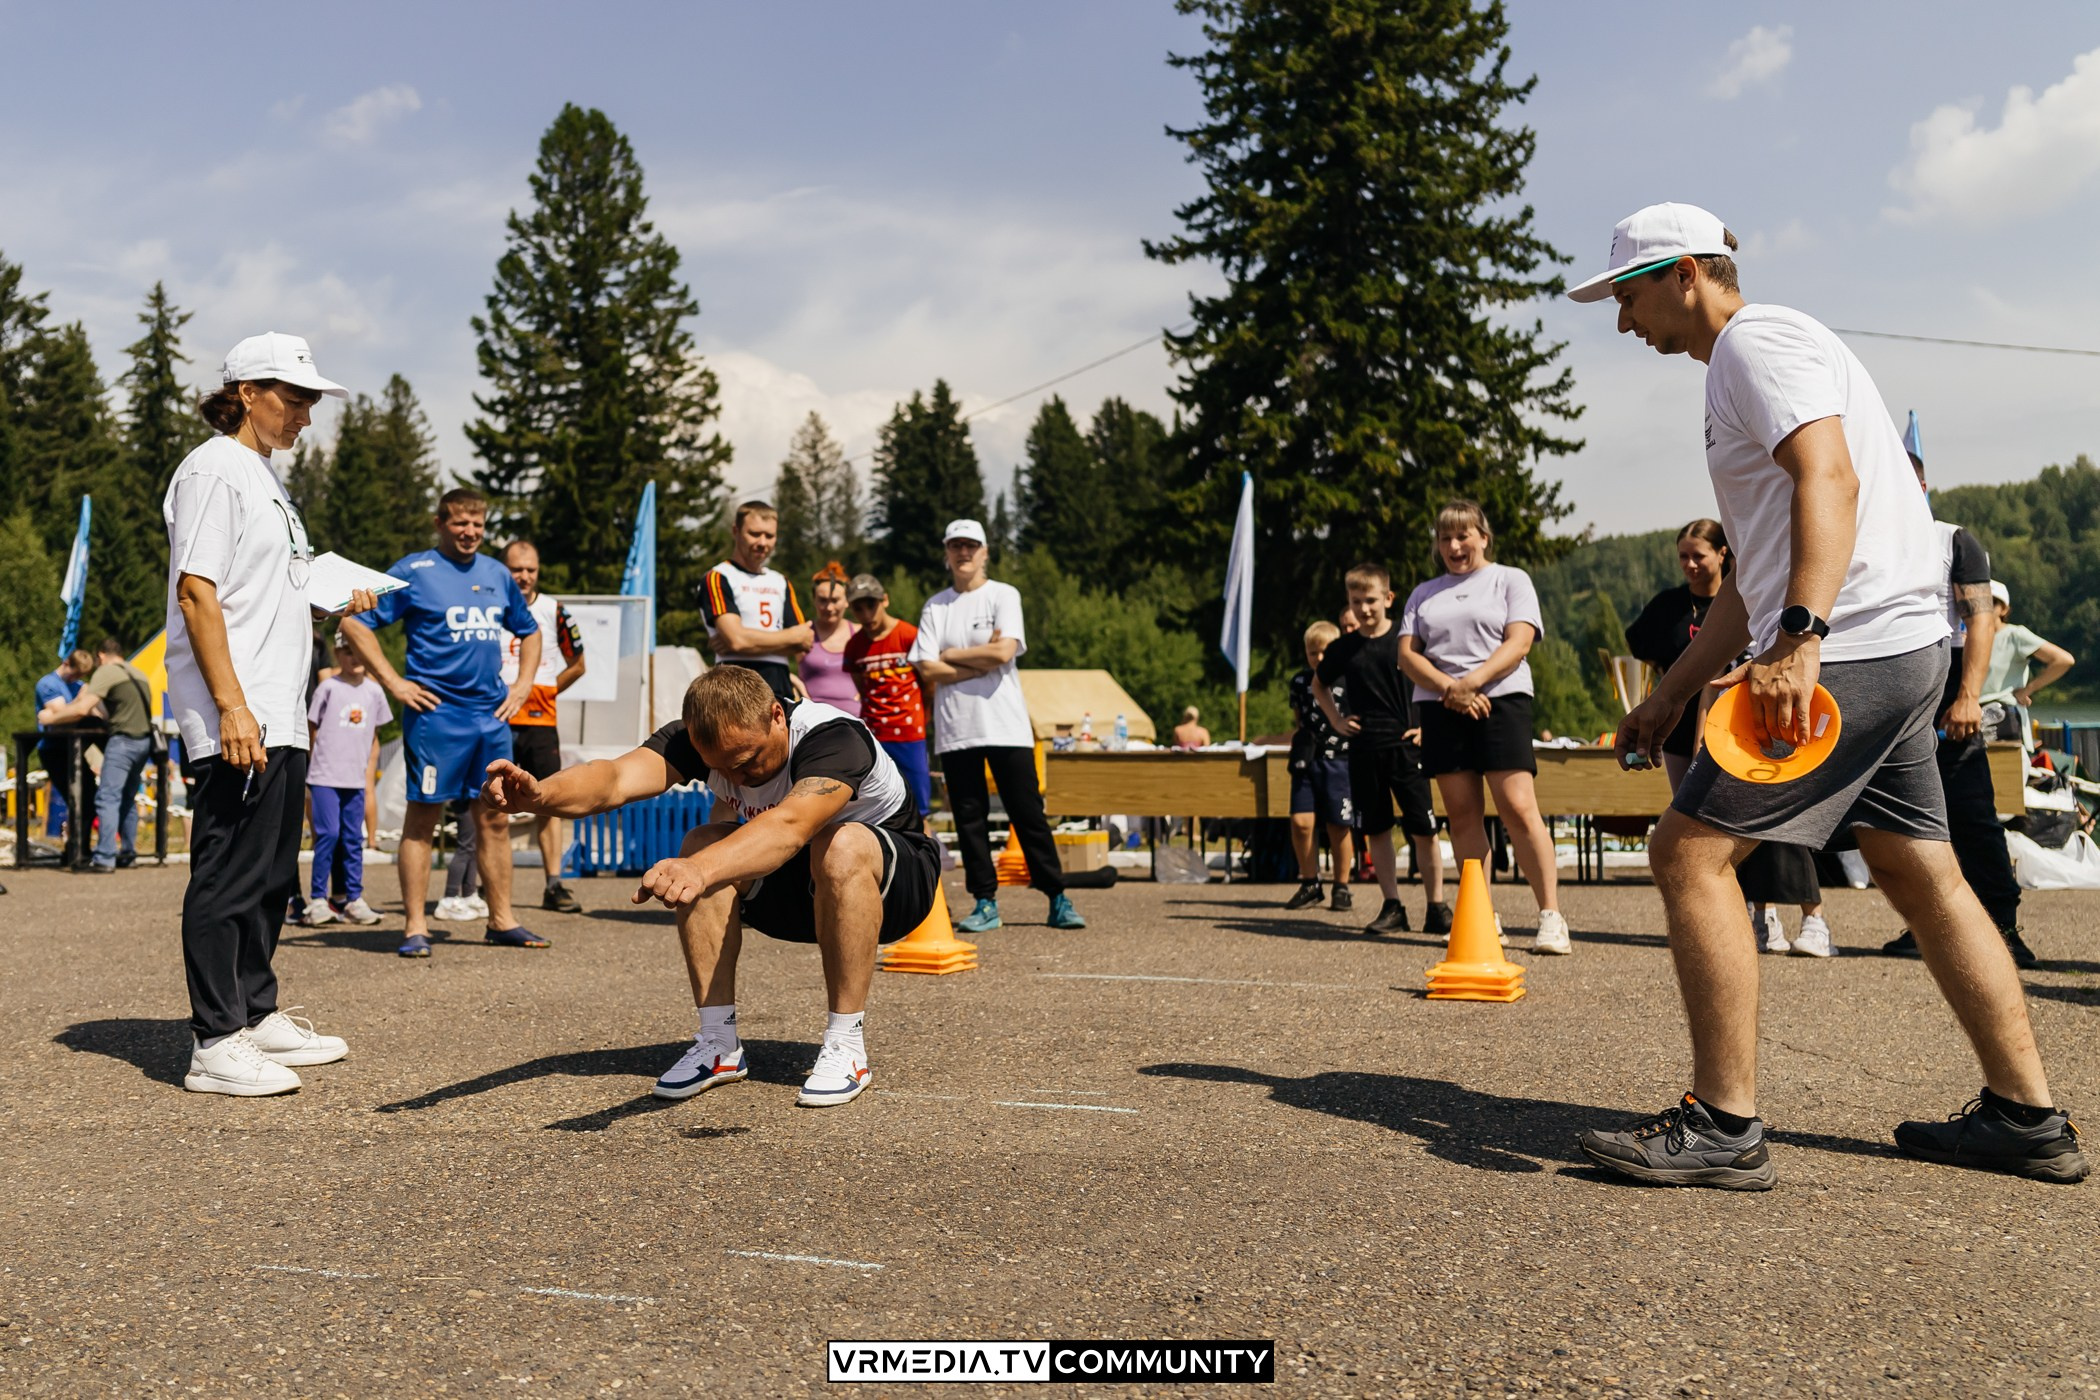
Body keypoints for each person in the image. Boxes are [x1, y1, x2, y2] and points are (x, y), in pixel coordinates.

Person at [1581, 201, 2082, 1186]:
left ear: (1687, 273)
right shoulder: (1762, 357)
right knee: (1918, 870)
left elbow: (1831, 476)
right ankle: (2027, 1114)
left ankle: (1724, 1122)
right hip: (1897, 648)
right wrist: (1671, 693)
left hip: (1847, 647)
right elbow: (1747, 578)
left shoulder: (1753, 344)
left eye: (1628, 293)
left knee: (1687, 853)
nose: (1621, 320)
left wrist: (1803, 637)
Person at [482, 665, 942, 1107]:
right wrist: (541, 796)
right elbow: (616, 779)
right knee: (701, 839)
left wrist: (699, 870)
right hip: (802, 891)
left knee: (836, 844)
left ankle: (846, 1044)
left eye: (747, 762)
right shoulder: (699, 738)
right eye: (721, 768)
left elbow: (790, 826)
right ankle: (718, 1044)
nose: (738, 779)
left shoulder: (832, 736)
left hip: (895, 887)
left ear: (776, 716)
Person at [166, 332, 366, 1095]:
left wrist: (330, 593)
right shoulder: (216, 468)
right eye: (292, 396)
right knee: (227, 874)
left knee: (272, 872)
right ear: (246, 392)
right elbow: (196, 591)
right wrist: (230, 706)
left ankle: (254, 1012)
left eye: (311, 400)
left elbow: (262, 592)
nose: (305, 414)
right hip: (237, 714)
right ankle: (215, 1042)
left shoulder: (266, 481)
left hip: (278, 710)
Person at [340, 487, 546, 958]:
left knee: (495, 817)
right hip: (436, 718)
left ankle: (502, 920)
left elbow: (530, 632)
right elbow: (354, 624)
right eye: (459, 523)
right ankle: (415, 926)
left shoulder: (497, 572)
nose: (470, 532)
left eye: (477, 523)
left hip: (489, 717)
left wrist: (523, 687)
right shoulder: (414, 571)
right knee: (423, 818)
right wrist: (394, 683)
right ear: (440, 524)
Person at [1628, 523, 1834, 959]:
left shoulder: (1765, 591)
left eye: (1697, 555)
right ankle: (1756, 915)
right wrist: (1671, 704)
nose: (1689, 564)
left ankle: (1811, 917)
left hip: (1757, 719)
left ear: (1724, 554)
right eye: (1682, 555)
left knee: (1776, 824)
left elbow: (1720, 677)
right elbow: (1696, 677)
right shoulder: (1672, 606)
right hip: (1695, 727)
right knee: (1704, 832)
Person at [1880, 444, 2034, 966]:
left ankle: (2004, 929)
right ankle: (1923, 926)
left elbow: (1981, 620)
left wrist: (1968, 696)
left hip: (1951, 691)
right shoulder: (1867, 543)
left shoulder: (1953, 540)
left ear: (1920, 487)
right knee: (1906, 820)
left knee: (1971, 813)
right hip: (1894, 688)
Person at [1397, 503, 1569, 953]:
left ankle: (1550, 916)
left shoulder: (1510, 579)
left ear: (1483, 537)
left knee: (1516, 806)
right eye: (1445, 539)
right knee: (1462, 813)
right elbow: (1407, 654)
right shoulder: (1423, 592)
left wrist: (1472, 682)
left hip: (1502, 699)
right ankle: (1482, 915)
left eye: (1463, 536)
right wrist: (1450, 689)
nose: (1454, 547)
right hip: (1440, 706)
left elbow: (1520, 640)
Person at [911, 519, 1085, 933]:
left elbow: (1005, 651)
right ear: (946, 551)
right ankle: (985, 901)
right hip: (957, 729)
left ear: (985, 552)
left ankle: (1057, 896)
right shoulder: (936, 605)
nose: (964, 553)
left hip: (1006, 726)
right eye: (956, 546)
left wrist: (952, 654)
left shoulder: (1004, 595)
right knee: (969, 818)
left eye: (972, 545)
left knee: (1027, 813)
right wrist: (979, 658)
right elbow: (924, 664)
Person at [1315, 563, 1448, 937]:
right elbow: (1318, 685)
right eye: (1356, 601)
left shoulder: (1408, 642)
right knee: (1377, 830)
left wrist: (1427, 725)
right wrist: (1337, 721)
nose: (1364, 608)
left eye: (1371, 600)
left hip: (1406, 746)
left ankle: (1436, 906)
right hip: (1363, 748)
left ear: (1389, 599)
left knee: (1424, 829)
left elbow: (1435, 680)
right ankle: (1392, 906)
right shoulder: (1343, 648)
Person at [500, 538, 588, 914]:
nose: (523, 576)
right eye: (516, 569)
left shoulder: (555, 610)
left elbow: (579, 663)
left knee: (547, 802)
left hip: (539, 721)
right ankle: (484, 887)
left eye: (530, 570)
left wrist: (547, 691)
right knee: (491, 804)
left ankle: (554, 885)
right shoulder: (490, 605)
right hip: (497, 718)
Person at [39, 637, 157, 874]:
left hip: (123, 741)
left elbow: (84, 708)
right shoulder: (139, 674)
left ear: (101, 656)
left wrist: (50, 719)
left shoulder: (107, 673)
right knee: (127, 798)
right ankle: (128, 852)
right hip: (144, 742)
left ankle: (104, 857)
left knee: (107, 798)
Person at [303, 635, 386, 926]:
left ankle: (353, 899)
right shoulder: (327, 687)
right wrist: (314, 765)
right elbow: (312, 728)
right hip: (325, 775)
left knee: (354, 838)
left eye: (359, 651)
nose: (355, 657)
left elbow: (374, 734)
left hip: (355, 778)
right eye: (348, 651)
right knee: (328, 836)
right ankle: (316, 900)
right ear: (338, 653)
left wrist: (366, 767)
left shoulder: (374, 692)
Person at [842, 574, 932, 828]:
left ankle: (928, 865)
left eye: (871, 604)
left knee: (920, 808)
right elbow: (863, 688)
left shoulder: (909, 636)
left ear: (885, 600)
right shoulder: (855, 646)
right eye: (858, 608)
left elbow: (929, 684)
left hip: (909, 733)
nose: (866, 613)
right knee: (877, 806)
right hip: (874, 735)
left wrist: (924, 716)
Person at [703, 501, 812, 702]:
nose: (762, 542)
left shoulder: (780, 581)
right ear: (736, 531)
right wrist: (787, 638)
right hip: (734, 687)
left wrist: (745, 642)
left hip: (780, 687)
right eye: (754, 534)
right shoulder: (719, 576)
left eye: (769, 536)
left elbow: (803, 641)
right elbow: (737, 639)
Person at [1285, 620, 1355, 912]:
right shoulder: (1300, 682)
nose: (1319, 658)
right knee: (1301, 822)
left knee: (1338, 825)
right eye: (1313, 653)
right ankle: (1310, 881)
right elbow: (1299, 719)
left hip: (1339, 759)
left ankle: (1342, 885)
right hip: (1307, 757)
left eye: (1325, 652)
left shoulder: (1348, 679)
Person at [1982, 582, 2074, 739]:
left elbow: (2063, 660)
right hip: (1973, 718)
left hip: (2005, 717)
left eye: (1993, 602)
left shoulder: (2015, 635)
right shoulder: (1968, 638)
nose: (1986, 607)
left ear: (2004, 609)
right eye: (1981, 602)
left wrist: (2028, 689)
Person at [33, 650, 93, 841]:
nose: (76, 679)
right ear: (66, 663)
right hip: (53, 749)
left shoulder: (76, 685)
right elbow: (63, 716)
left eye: (80, 676)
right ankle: (73, 848)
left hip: (75, 749)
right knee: (74, 798)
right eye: (75, 674)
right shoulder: (48, 684)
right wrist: (81, 702)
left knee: (88, 796)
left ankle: (80, 848)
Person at [799, 563, 862, 717]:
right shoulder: (803, 633)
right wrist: (797, 687)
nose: (829, 607)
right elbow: (779, 666)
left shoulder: (860, 633)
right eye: (822, 600)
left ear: (847, 601)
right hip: (814, 722)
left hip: (856, 721)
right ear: (814, 599)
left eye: (835, 600)